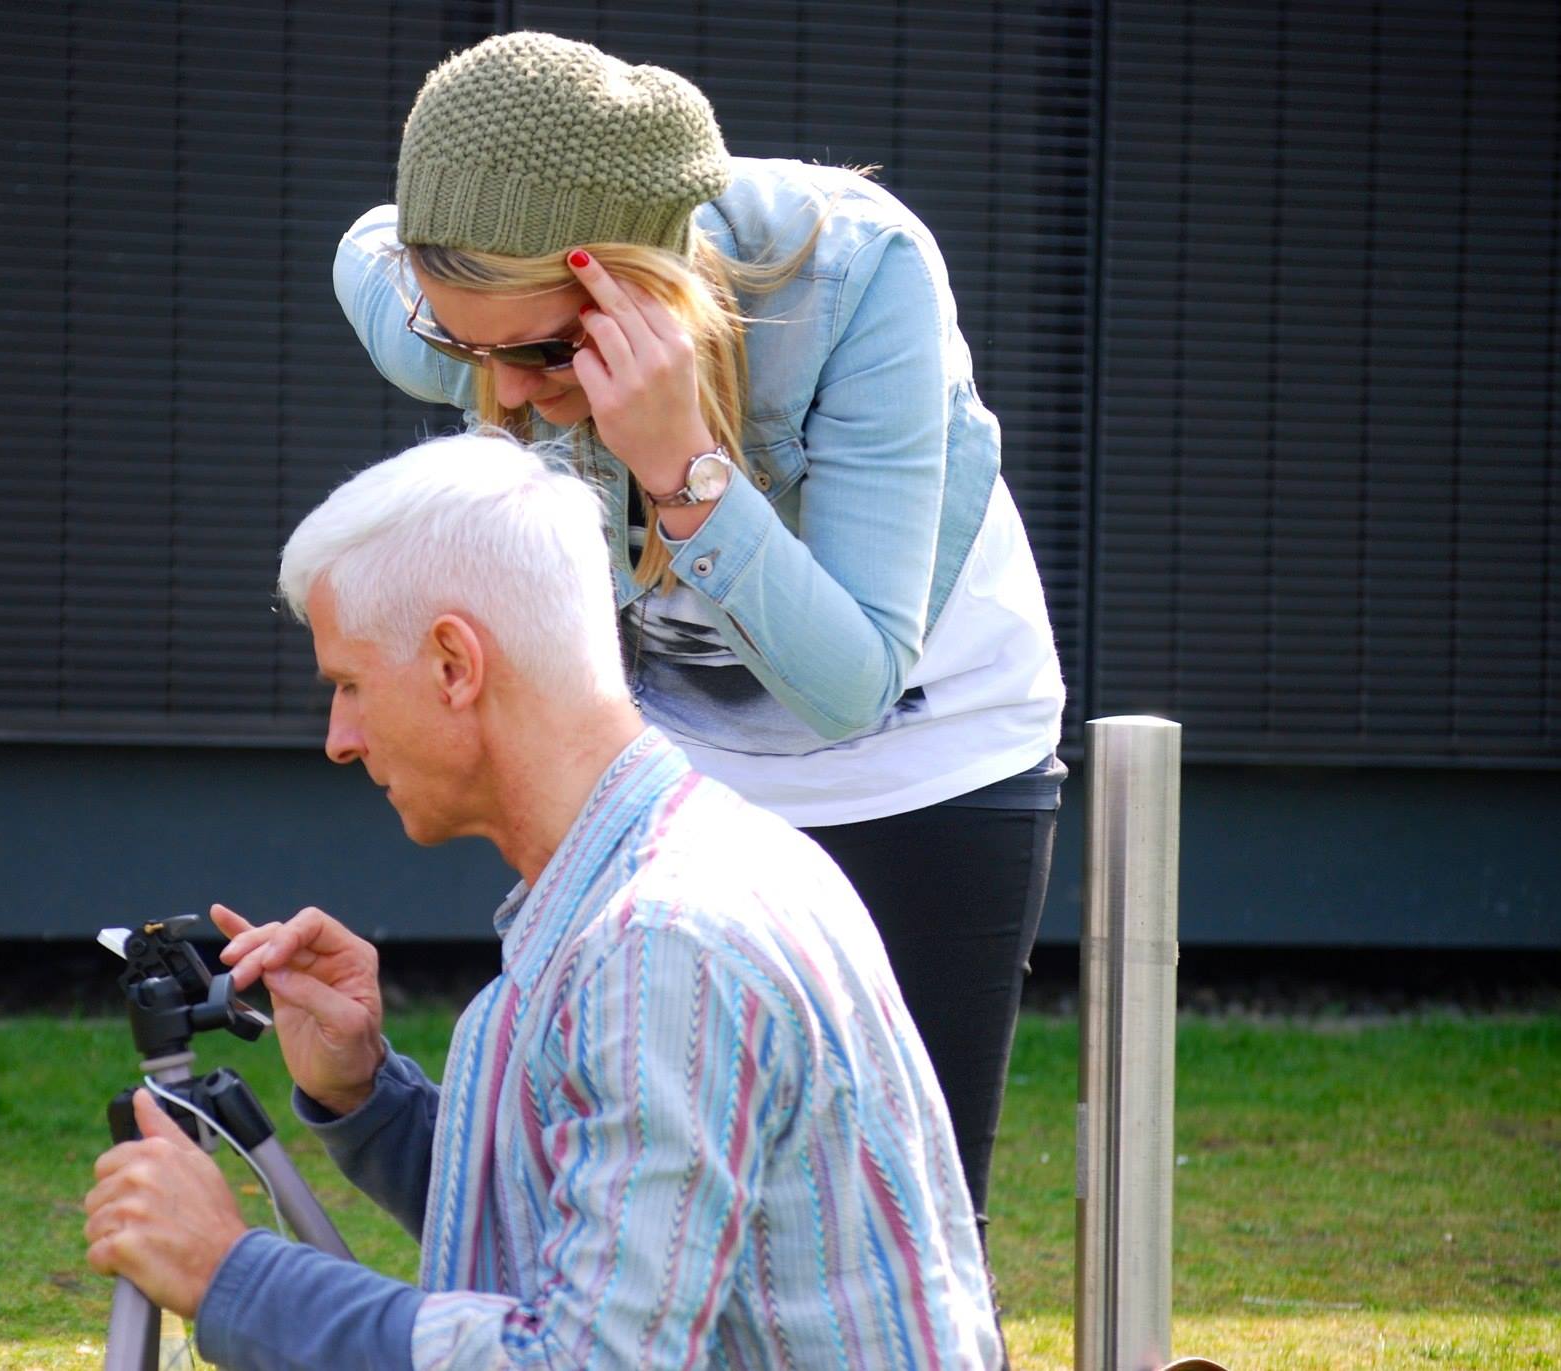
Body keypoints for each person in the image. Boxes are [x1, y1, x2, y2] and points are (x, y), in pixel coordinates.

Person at [332, 31, 1067, 1238]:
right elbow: (360, 248)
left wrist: (678, 465)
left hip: (920, 752)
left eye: (538, 351)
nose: (501, 393)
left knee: (900, 1217)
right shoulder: (460, 317)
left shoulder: (858, 275)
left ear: (646, 287)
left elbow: (848, 686)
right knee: (628, 1192)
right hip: (677, 768)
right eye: (468, 348)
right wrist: (471, 328)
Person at [83, 431, 1002, 1370]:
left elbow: (587, 1356)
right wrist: (367, 1093)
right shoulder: (677, 873)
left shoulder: (663, 942)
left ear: (454, 663)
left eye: (351, 684)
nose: (339, 738)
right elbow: (584, 1231)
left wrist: (231, 1273)